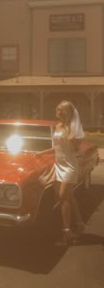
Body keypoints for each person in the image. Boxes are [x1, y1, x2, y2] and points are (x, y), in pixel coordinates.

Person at [36, 100, 85, 244]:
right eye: (58, 109)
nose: (58, 112)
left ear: (69, 112)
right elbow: (56, 148)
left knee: (62, 196)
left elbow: (76, 151)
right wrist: (42, 153)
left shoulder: (74, 129)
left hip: (70, 166)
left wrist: (73, 141)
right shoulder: (56, 126)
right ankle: (80, 223)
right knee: (69, 197)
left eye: (62, 110)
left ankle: (67, 231)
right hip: (59, 164)